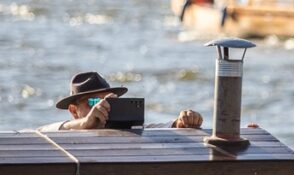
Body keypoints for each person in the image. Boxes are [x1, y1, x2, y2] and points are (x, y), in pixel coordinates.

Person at [38, 71, 203, 131]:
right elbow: (41, 131)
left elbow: (153, 129)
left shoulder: (127, 129)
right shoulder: (67, 133)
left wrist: (181, 123)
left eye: (109, 101)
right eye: (93, 102)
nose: (101, 107)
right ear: (74, 111)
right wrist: (85, 124)